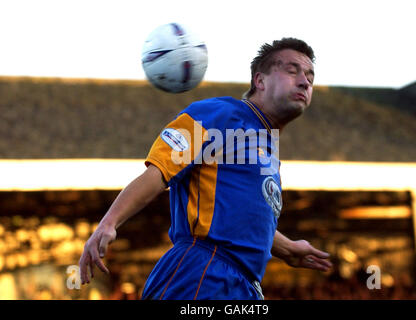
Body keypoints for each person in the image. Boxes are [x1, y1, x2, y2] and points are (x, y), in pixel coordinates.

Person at [79, 37, 332, 300]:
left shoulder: (268, 150)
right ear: (260, 81)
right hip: (203, 271)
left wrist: (288, 248)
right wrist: (109, 223)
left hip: (245, 285)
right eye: (293, 71)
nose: (305, 81)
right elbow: (158, 172)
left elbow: (240, 222)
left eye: (310, 78)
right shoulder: (218, 114)